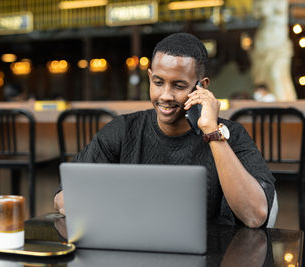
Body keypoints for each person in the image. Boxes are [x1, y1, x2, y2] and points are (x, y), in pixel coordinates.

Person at [54, 33, 275, 228]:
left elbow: (255, 216)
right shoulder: (123, 131)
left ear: (202, 87)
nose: (165, 96)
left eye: (178, 86)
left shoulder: (230, 134)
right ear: (150, 78)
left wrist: (212, 132)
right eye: (158, 82)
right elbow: (63, 199)